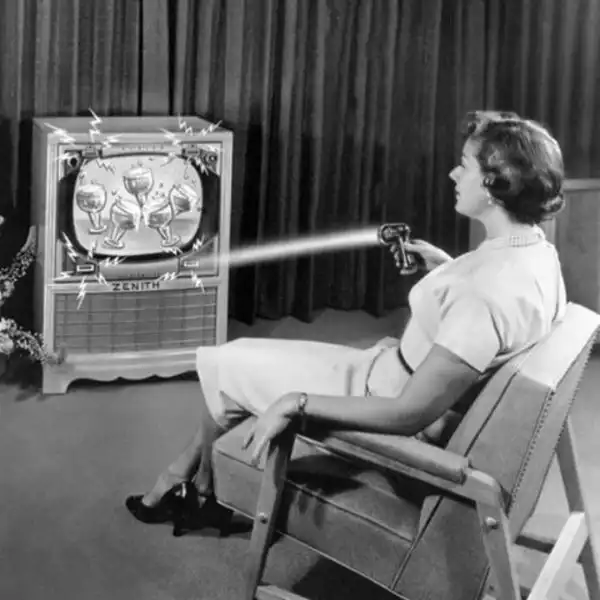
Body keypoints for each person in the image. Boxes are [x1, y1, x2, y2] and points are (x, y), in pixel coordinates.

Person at [125, 110, 567, 536]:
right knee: (232, 363)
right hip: (386, 371)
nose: (453, 174)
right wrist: (446, 271)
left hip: (380, 396)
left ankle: (199, 490)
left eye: (464, 165)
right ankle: (186, 481)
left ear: (494, 185)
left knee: (226, 363)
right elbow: (487, 320)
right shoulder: (535, 254)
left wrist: (297, 402)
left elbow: (408, 413)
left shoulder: (481, 295)